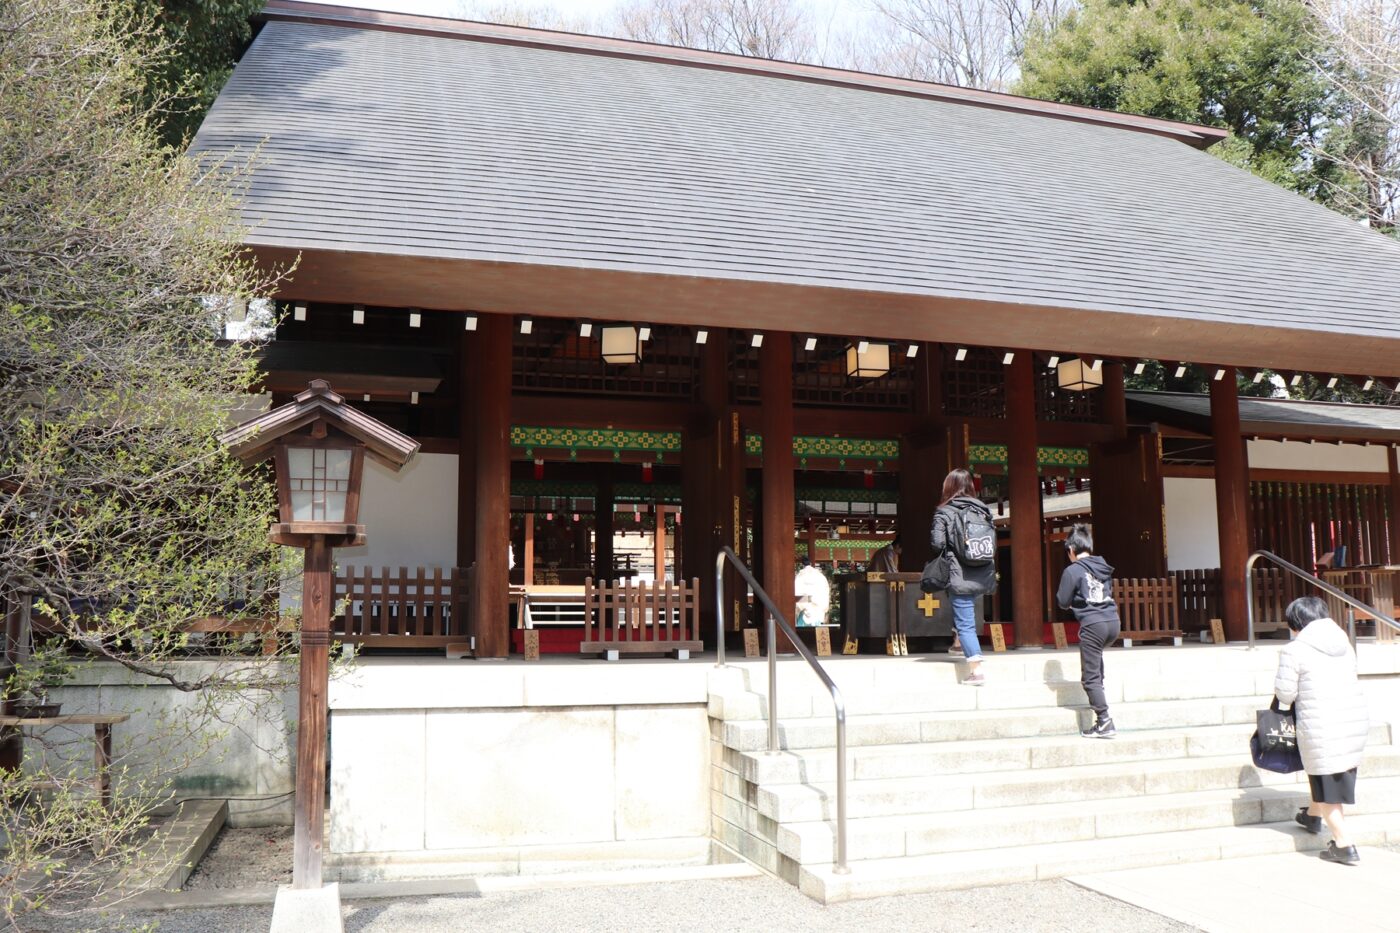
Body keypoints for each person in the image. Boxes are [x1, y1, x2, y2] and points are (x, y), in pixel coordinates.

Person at [1275, 595, 1370, 864]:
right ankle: (1312, 816)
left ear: (1296, 624)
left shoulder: (1295, 650)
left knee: (1327, 782)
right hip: (1352, 720)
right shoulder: (1344, 643)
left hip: (1321, 724)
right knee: (1330, 775)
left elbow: (1285, 692)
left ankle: (1344, 844)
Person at [930, 469, 996, 685]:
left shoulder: (945, 511)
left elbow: (937, 543)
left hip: (959, 572)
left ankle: (976, 671)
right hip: (982, 571)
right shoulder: (984, 510)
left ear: (948, 487)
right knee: (966, 618)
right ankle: (961, 643)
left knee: (965, 623)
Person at [1055, 524, 1121, 739]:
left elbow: (1062, 602)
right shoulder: (1102, 565)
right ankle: (1100, 707)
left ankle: (1104, 721)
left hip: (1093, 625)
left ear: (1072, 550)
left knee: (1090, 678)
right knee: (1097, 668)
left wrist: (1076, 601)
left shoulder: (1073, 570)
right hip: (1112, 621)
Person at [794, 557, 830, 627]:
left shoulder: (799, 577)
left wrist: (801, 606)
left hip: (804, 609)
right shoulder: (820, 576)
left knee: (802, 633)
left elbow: (796, 593)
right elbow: (825, 592)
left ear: (802, 565)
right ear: (810, 563)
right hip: (818, 609)